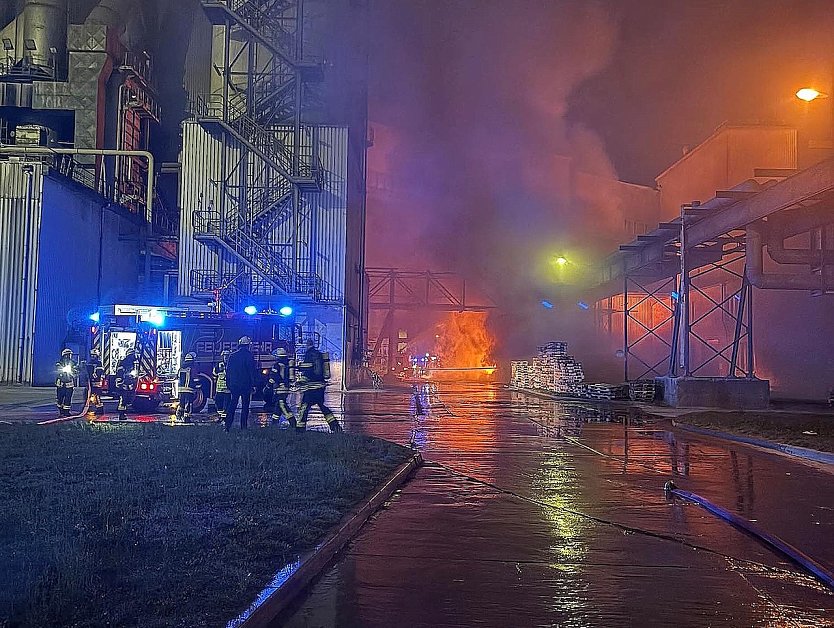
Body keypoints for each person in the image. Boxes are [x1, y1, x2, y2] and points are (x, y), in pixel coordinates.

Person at [296, 339, 341, 432]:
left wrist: (300, 373)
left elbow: (308, 369)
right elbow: (323, 371)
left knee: (304, 407)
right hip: (320, 387)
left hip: (311, 387)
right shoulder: (319, 354)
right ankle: (335, 426)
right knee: (323, 407)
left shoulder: (309, 354)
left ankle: (299, 430)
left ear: (307, 345)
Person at [224, 336, 258, 432]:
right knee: (245, 406)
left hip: (234, 385)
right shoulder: (249, 356)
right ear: (247, 345)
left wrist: (229, 384)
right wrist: (254, 384)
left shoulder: (232, 356)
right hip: (245, 385)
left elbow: (228, 371)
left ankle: (227, 427)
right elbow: (251, 371)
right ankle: (243, 427)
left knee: (232, 405)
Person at [268, 347, 296, 427]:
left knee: (282, 405)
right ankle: (274, 424)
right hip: (285, 388)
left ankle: (293, 422)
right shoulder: (287, 364)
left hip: (280, 388)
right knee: (278, 407)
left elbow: (273, 378)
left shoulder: (276, 365)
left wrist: (268, 386)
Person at [115, 352, 138, 421]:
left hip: (127, 384)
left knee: (126, 399)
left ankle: (122, 413)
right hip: (123, 384)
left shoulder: (130, 363)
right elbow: (120, 374)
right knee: (123, 400)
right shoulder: (124, 363)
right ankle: (121, 414)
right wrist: (120, 384)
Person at [55, 348, 78, 417]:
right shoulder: (59, 363)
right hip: (61, 383)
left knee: (68, 398)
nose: (68, 356)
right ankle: (61, 411)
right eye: (67, 355)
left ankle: (66, 411)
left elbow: (76, 370)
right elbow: (58, 370)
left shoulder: (73, 363)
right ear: (63, 356)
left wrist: (75, 372)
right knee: (60, 398)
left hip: (69, 383)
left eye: (69, 355)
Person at [175, 352, 198, 422]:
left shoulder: (181, 368)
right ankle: (186, 418)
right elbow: (195, 379)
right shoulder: (192, 368)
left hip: (181, 389)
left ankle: (179, 415)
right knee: (188, 404)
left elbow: (178, 377)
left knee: (181, 403)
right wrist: (197, 386)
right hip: (189, 389)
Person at [86, 348, 106, 416]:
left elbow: (99, 373)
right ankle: (89, 407)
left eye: (94, 355)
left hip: (96, 383)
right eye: (91, 355)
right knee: (89, 395)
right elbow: (88, 372)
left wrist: (95, 378)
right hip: (91, 382)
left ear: (97, 356)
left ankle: (100, 409)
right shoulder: (90, 363)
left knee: (96, 396)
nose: (92, 357)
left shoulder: (98, 363)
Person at [213, 350, 231, 420]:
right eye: (225, 356)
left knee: (227, 403)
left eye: (227, 356)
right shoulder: (219, 365)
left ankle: (225, 417)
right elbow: (214, 373)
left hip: (228, 388)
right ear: (222, 357)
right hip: (220, 388)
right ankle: (221, 415)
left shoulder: (231, 364)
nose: (226, 357)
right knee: (218, 402)